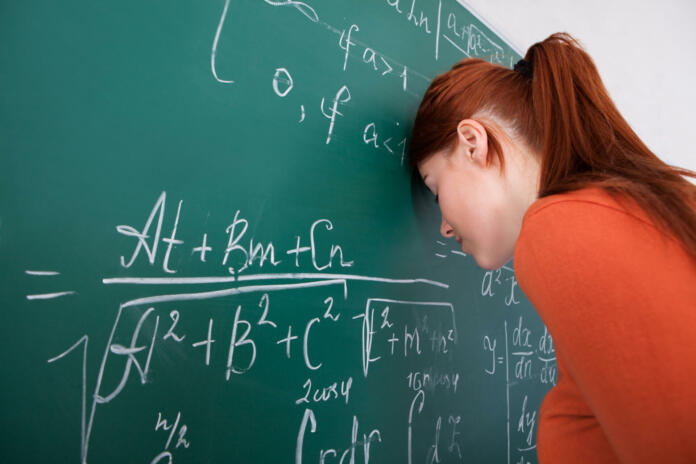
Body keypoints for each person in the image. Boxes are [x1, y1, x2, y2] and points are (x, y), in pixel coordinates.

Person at [409, 33, 696, 463]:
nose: (445, 228)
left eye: (436, 190)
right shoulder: (634, 207)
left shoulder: (560, 226)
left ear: (473, 143)